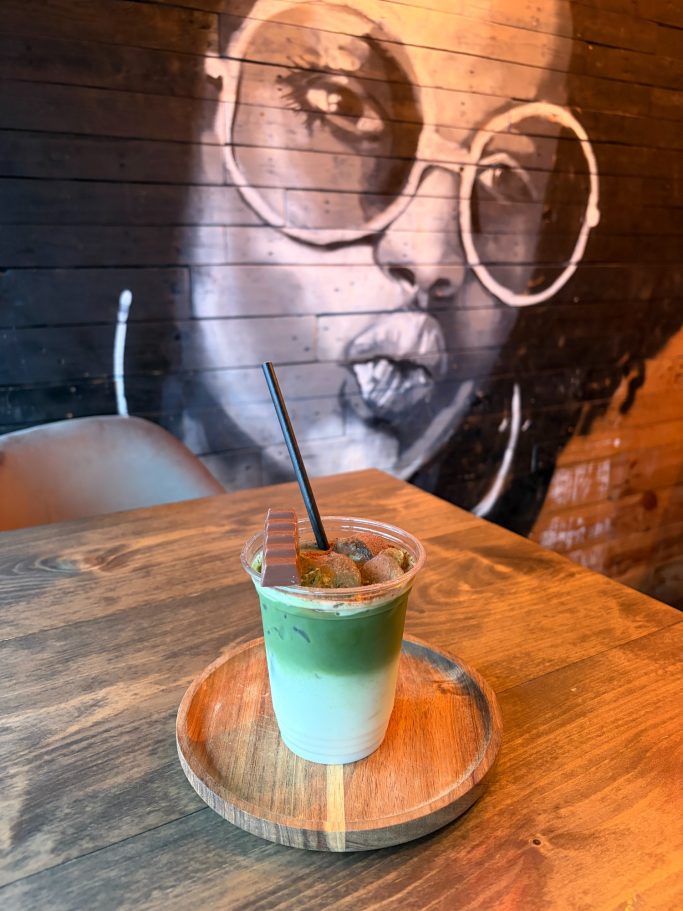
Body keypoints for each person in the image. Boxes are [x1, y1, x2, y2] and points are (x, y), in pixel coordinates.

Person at [169, 0, 679, 533]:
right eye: (341, 103)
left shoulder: (494, 543)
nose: (431, 257)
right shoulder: (99, 474)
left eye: (505, 177)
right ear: (206, 107)